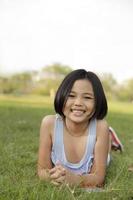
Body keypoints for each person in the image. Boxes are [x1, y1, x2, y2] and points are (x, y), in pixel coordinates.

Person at [37, 69, 123, 188]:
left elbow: (98, 178)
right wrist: (54, 176)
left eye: (87, 97)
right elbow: (42, 170)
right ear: (61, 96)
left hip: (100, 135)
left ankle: (110, 138)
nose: (78, 103)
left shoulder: (100, 127)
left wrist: (74, 179)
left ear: (98, 102)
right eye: (71, 96)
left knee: (106, 154)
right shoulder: (49, 123)